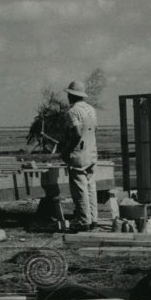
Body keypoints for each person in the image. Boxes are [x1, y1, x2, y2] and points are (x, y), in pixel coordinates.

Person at [58, 80, 99, 232]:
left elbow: (76, 132)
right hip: (91, 151)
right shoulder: (91, 110)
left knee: (80, 189)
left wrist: (67, 150)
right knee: (90, 187)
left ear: (72, 95)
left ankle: (84, 222)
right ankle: (93, 220)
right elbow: (95, 129)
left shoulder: (72, 112)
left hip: (79, 153)